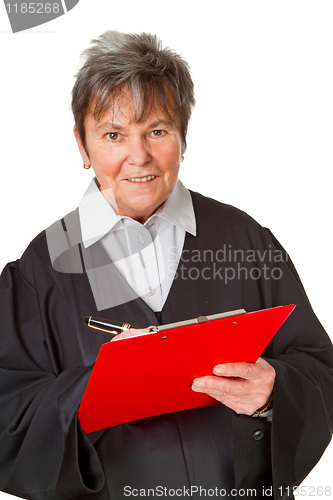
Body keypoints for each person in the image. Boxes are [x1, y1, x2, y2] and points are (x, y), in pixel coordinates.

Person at [0, 30, 332, 500]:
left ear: (182, 136)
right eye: (113, 135)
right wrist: (102, 385)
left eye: (157, 131)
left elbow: (320, 369)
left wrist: (275, 391)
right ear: (82, 144)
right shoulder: (40, 270)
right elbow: (7, 415)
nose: (139, 157)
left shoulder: (244, 241)